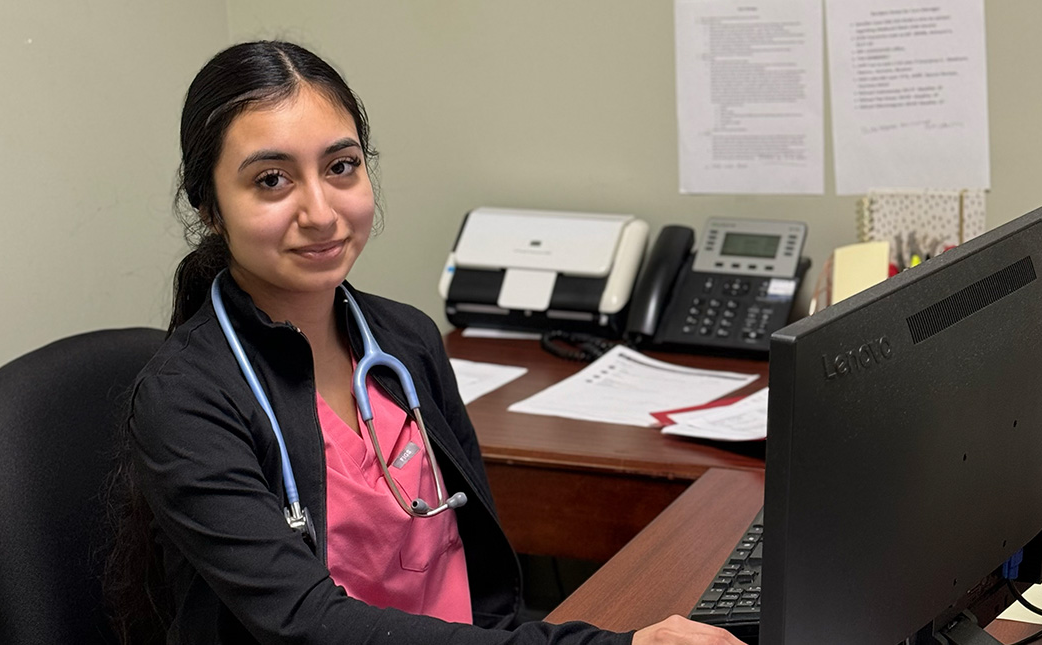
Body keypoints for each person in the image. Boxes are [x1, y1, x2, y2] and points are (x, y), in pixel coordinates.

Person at [107, 40, 744, 645]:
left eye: (341, 167)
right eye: (272, 180)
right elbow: (308, 627)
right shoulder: (185, 399)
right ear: (211, 206)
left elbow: (485, 581)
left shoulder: (406, 340)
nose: (322, 211)